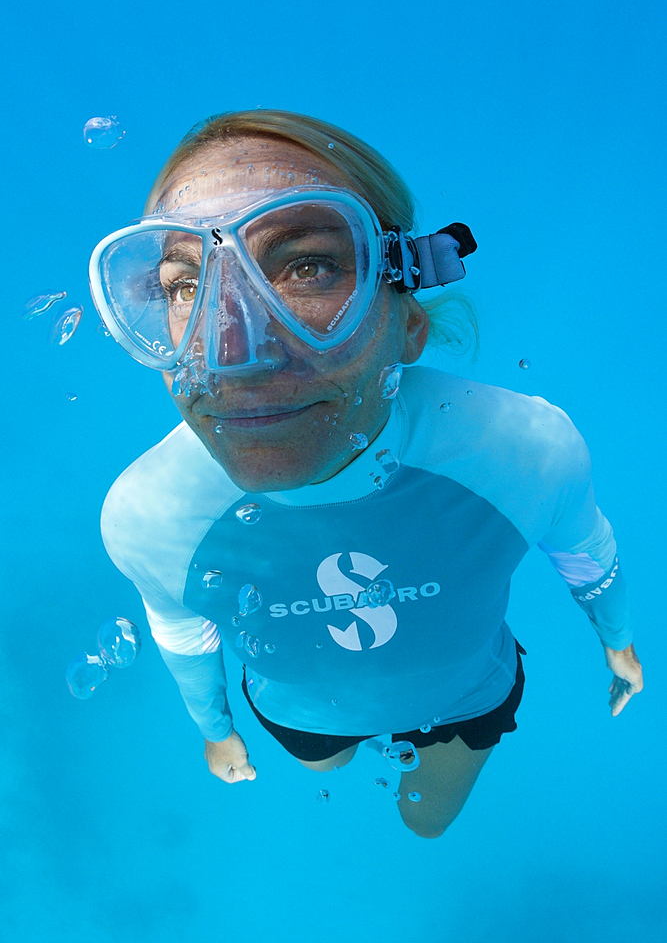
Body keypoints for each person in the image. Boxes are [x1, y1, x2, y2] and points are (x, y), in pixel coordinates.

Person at [92, 109, 643, 839]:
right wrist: (218, 728)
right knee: (324, 762)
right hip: (297, 713)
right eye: (185, 284)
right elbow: (182, 628)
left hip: (465, 700)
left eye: (307, 265)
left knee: (426, 823)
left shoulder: (523, 448)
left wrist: (617, 640)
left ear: (407, 319)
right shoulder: (147, 513)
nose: (231, 350)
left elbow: (586, 557)